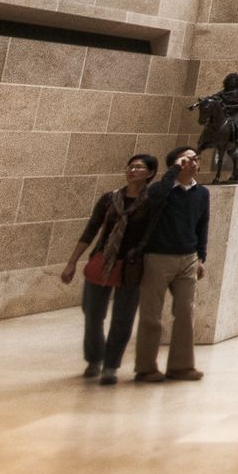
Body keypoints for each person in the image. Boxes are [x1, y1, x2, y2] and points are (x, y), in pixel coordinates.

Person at [60, 153, 157, 384]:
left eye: (139, 168)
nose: (132, 171)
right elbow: (91, 230)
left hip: (131, 267)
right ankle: (95, 358)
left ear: (150, 174)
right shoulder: (109, 199)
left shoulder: (152, 203)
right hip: (102, 261)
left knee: (123, 318)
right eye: (130, 166)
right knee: (92, 313)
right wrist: (72, 262)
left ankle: (111, 365)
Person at [128, 146, 208, 382]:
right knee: (151, 316)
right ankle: (146, 368)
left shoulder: (201, 193)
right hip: (158, 257)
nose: (193, 163)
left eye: (196, 159)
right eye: (187, 159)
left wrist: (201, 257)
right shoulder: (161, 190)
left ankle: (181, 366)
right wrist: (174, 170)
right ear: (175, 164)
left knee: (185, 313)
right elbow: (156, 195)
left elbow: (202, 225)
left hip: (188, 258)